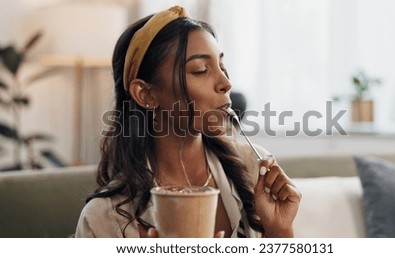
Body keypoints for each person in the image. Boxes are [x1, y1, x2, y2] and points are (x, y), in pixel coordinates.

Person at [75, 5, 301, 238]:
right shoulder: (103, 219)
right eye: (201, 70)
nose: (225, 83)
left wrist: (279, 230)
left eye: (222, 66)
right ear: (146, 94)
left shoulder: (252, 169)